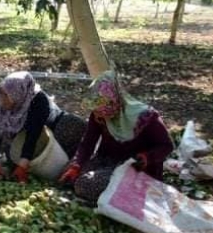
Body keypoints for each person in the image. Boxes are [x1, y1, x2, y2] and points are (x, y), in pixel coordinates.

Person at [59, 70, 174, 203]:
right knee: (68, 174)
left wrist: (147, 157)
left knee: (85, 185)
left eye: (102, 111)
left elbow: (167, 146)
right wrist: (76, 165)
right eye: (97, 111)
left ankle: (132, 196)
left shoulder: (146, 117)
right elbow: (88, 143)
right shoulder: (99, 113)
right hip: (107, 160)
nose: (98, 116)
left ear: (114, 101)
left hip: (133, 168)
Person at [0, 72, 87, 183]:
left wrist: (22, 166)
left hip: (53, 129)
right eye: (1, 95)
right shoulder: (1, 104)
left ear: (18, 93)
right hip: (21, 137)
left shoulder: (39, 101)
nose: (2, 100)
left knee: (72, 127)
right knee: (16, 160)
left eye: (6, 95)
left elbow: (33, 135)